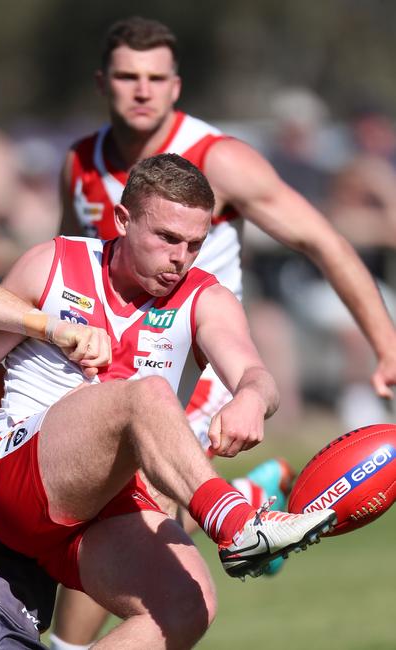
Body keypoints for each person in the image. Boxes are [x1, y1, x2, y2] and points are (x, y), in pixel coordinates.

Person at [0, 154, 337, 649]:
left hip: (99, 506)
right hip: (17, 473)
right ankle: (237, 523)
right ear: (123, 222)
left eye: (194, 244)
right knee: (141, 396)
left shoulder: (203, 297)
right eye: (168, 238)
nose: (180, 259)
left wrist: (249, 398)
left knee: (187, 604)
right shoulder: (54, 264)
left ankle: (235, 520)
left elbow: (254, 371)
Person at [55, 17, 396, 647]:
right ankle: (242, 496)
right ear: (104, 81)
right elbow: (66, 261)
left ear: (176, 86)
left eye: (156, 78)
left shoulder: (217, 160)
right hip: (116, 367)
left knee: (135, 509)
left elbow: (320, 239)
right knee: (94, 509)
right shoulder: (80, 162)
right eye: (128, 76)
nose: (142, 91)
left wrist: (386, 343)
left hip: (202, 364)